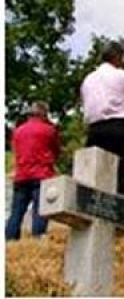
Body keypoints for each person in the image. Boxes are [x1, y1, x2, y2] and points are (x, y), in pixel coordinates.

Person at [80, 41, 124, 196]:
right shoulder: (123, 75)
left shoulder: (88, 80)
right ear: (117, 57)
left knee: (96, 174)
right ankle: (122, 213)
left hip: (94, 129)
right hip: (119, 127)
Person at [5, 102, 60, 241]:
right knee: (41, 209)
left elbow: (16, 152)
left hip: (21, 175)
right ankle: (38, 237)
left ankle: (10, 239)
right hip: (42, 174)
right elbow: (56, 151)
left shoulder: (18, 131)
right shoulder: (49, 130)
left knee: (16, 211)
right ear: (43, 114)